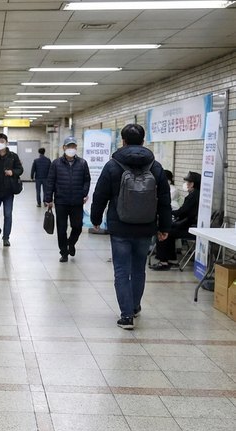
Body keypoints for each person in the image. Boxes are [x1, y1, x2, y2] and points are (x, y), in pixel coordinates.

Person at [91, 124, 171, 330]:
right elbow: (164, 199)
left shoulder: (113, 165)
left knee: (121, 270)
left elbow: (100, 194)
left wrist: (95, 218)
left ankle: (126, 316)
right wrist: (164, 226)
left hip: (120, 226)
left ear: (123, 141)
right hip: (146, 226)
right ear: (143, 141)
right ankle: (134, 306)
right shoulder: (156, 166)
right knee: (138, 269)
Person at [44, 137, 91, 263]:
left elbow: (87, 179)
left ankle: (71, 243)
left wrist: (84, 193)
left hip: (77, 201)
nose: (71, 149)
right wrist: (48, 199)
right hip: (61, 201)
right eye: (69, 146)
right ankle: (64, 252)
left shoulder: (82, 163)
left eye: (73, 147)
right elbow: (50, 181)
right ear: (64, 148)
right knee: (61, 228)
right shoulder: (56, 163)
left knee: (77, 226)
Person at [151, 171, 200, 271]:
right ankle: (171, 259)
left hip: (190, 228)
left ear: (193, 184)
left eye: (188, 182)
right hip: (190, 225)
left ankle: (163, 261)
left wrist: (169, 213)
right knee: (169, 231)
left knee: (163, 231)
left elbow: (183, 211)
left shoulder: (193, 196)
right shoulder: (196, 194)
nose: (186, 184)